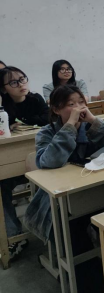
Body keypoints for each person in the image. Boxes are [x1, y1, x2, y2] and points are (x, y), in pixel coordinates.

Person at [25, 85, 104, 243]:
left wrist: (93, 121)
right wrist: (70, 126)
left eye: (81, 102)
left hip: (95, 187)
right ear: (56, 110)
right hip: (62, 196)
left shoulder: (90, 126)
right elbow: (49, 162)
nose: (79, 108)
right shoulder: (46, 132)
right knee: (74, 234)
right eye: (71, 104)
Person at [0, 66, 49, 259]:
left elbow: (46, 119)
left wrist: (23, 121)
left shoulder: (36, 99)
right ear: (4, 89)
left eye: (22, 79)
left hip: (39, 159)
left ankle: (51, 228)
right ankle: (15, 236)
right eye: (13, 82)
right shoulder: (3, 107)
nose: (21, 84)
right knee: (2, 186)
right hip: (11, 163)